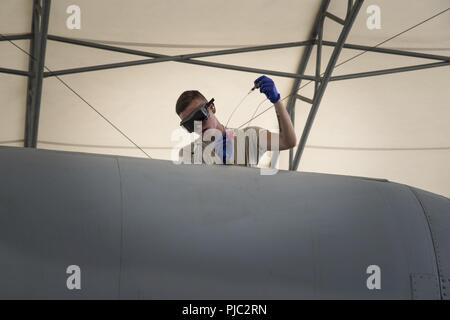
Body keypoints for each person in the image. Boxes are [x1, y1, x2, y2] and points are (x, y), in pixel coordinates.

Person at [176, 75, 297, 167]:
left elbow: (288, 141)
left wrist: (277, 101)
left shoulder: (250, 137)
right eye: (190, 124)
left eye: (200, 115)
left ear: (212, 107)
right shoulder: (189, 153)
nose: (198, 125)